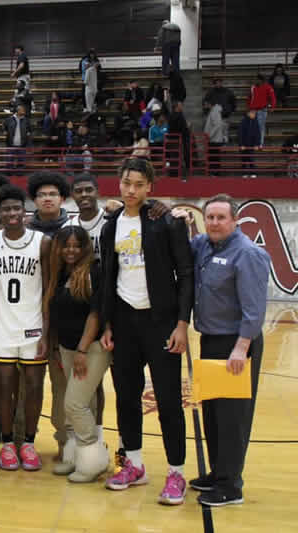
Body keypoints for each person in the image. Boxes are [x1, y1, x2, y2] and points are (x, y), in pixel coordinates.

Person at [100, 157, 193, 506]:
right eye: (126, 183)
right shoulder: (111, 225)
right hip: (124, 322)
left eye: (139, 184)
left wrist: (182, 324)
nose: (131, 190)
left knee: (169, 400)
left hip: (162, 323)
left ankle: (176, 472)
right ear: (119, 184)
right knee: (127, 397)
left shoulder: (165, 221)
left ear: (150, 187)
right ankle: (134, 464)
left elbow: (185, 274)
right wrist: (108, 323)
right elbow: (109, 277)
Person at [189, 194, 270, 507]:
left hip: (235, 344)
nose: (214, 223)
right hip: (209, 340)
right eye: (210, 217)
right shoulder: (203, 246)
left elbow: (254, 308)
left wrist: (242, 347)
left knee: (233, 417)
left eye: (221, 217)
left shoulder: (247, 254)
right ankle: (218, 472)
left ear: (235, 220)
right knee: (212, 412)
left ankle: (231, 486)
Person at [0, 184, 51, 472]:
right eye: (6, 209)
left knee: (34, 385)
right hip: (2, 327)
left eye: (17, 208)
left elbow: (49, 289)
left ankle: (28, 441)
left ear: (25, 212)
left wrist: (47, 331)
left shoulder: (42, 242)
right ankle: (6, 443)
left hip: (33, 327)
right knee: (4, 388)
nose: (12, 213)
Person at [45, 226, 109, 482]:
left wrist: (83, 349)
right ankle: (75, 458)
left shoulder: (94, 271)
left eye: (76, 245)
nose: (71, 250)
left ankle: (92, 462)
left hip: (91, 348)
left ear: (85, 248)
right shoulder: (60, 273)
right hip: (66, 347)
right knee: (80, 404)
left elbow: (95, 314)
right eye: (66, 245)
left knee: (75, 403)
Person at [25, 172, 70, 461]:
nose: (47, 198)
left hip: (64, 319)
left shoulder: (73, 229)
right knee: (27, 384)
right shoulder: (23, 231)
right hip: (28, 318)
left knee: (62, 385)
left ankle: (66, 442)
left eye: (53, 194)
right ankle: (20, 440)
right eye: (42, 195)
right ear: (35, 200)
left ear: (63, 198)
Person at [3, 104, 32, 174]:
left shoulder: (26, 120)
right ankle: (9, 171)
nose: (24, 111)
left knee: (21, 160)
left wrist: (28, 133)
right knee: (10, 160)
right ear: (18, 110)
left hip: (22, 144)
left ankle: (20, 171)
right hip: (11, 143)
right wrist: (5, 131)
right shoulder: (9, 119)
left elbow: (30, 130)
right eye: (22, 110)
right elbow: (4, 126)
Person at [248, 74, 276, 146]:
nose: (255, 81)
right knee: (252, 126)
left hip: (262, 110)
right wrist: (249, 107)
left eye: (257, 79)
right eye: (255, 79)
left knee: (260, 127)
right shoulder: (253, 87)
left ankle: (260, 143)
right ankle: (253, 142)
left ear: (261, 80)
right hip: (252, 110)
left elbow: (273, 98)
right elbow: (250, 98)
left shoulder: (268, 87)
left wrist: (272, 107)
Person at [204, 104, 229, 176]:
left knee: (213, 157)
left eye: (205, 103)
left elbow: (217, 125)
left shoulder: (214, 112)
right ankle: (215, 173)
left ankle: (214, 173)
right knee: (214, 157)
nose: (204, 105)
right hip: (215, 139)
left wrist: (209, 135)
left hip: (214, 139)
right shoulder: (216, 111)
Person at [239, 108, 261, 178]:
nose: (254, 114)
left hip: (252, 145)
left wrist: (257, 144)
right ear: (248, 113)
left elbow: (258, 134)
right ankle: (244, 173)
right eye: (253, 113)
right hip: (244, 145)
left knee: (252, 159)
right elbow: (240, 134)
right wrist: (241, 145)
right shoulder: (243, 121)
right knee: (244, 159)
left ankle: (253, 173)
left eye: (255, 113)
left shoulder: (255, 121)